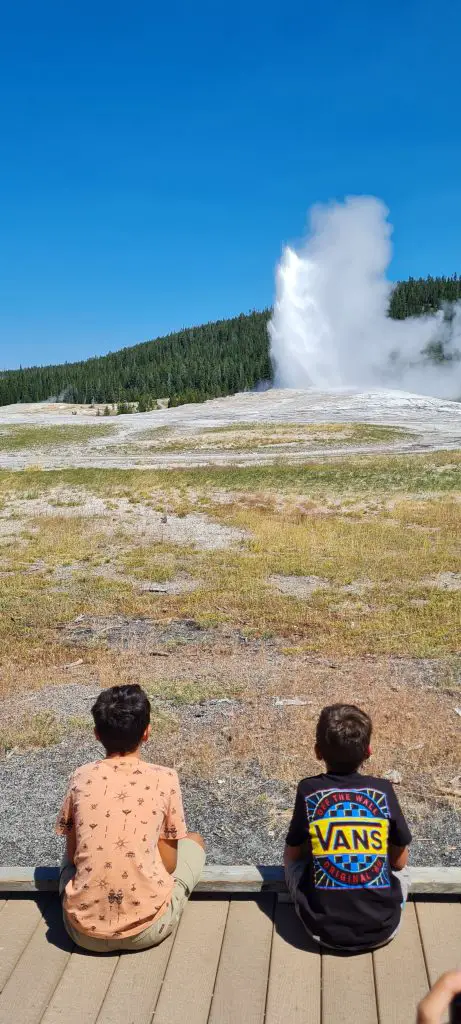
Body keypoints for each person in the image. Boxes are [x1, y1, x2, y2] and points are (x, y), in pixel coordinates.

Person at [56, 684, 205, 952]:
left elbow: (74, 853)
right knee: (195, 841)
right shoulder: (165, 778)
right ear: (146, 733)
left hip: (81, 932)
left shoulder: (81, 776)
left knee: (69, 859)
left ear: (96, 734)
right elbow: (169, 865)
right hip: (148, 929)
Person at [284, 702, 411, 952]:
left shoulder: (308, 790)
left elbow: (293, 852)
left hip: (320, 931)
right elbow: (400, 863)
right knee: (403, 869)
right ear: (369, 751)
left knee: (294, 857)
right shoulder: (383, 790)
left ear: (317, 751)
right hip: (384, 928)